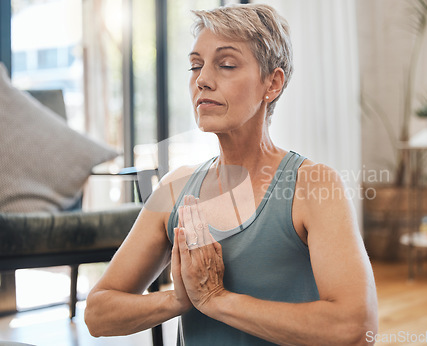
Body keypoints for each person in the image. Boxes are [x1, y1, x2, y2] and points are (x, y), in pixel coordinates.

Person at [84, 3, 378, 345]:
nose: (202, 80)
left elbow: (356, 328)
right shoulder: (174, 189)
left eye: (225, 65)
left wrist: (217, 300)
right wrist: (180, 299)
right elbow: (97, 314)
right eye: (195, 65)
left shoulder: (312, 185)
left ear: (272, 83)